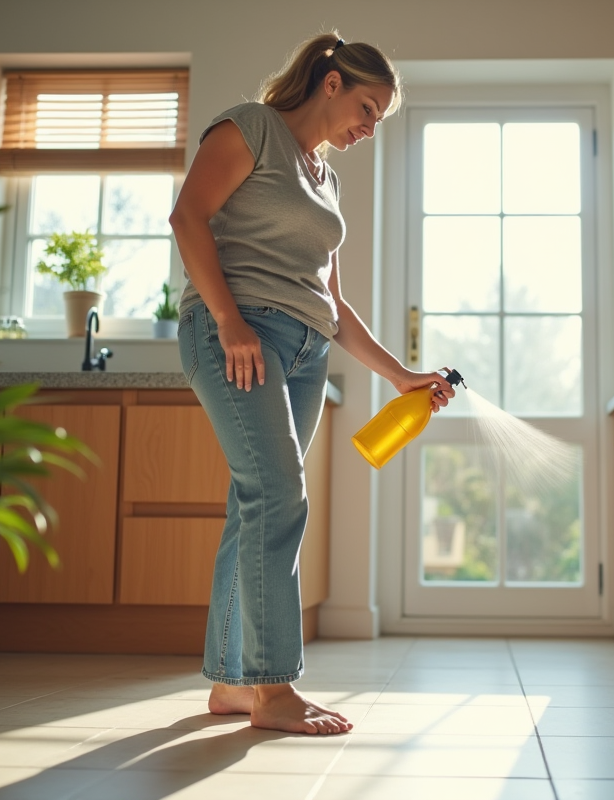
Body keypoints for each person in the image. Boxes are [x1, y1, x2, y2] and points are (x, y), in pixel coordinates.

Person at [168, 31, 455, 736]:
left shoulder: (324, 177)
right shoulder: (251, 128)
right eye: (366, 107)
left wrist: (401, 377)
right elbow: (188, 217)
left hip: (303, 350)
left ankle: (233, 684)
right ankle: (275, 688)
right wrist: (228, 321)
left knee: (254, 505)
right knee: (278, 495)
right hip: (240, 336)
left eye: (378, 119)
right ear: (330, 82)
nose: (368, 127)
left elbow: (333, 305)